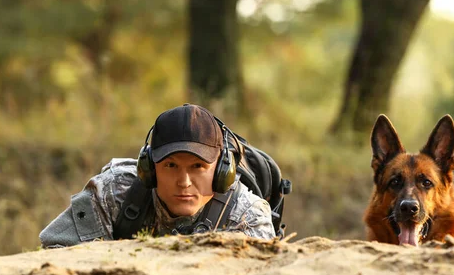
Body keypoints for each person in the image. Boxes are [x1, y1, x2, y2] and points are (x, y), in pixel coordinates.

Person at [39, 104, 276, 248]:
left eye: (197, 166)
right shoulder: (115, 192)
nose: (184, 182)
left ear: (223, 171)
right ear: (149, 169)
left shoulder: (247, 215)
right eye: (171, 165)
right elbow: (56, 252)